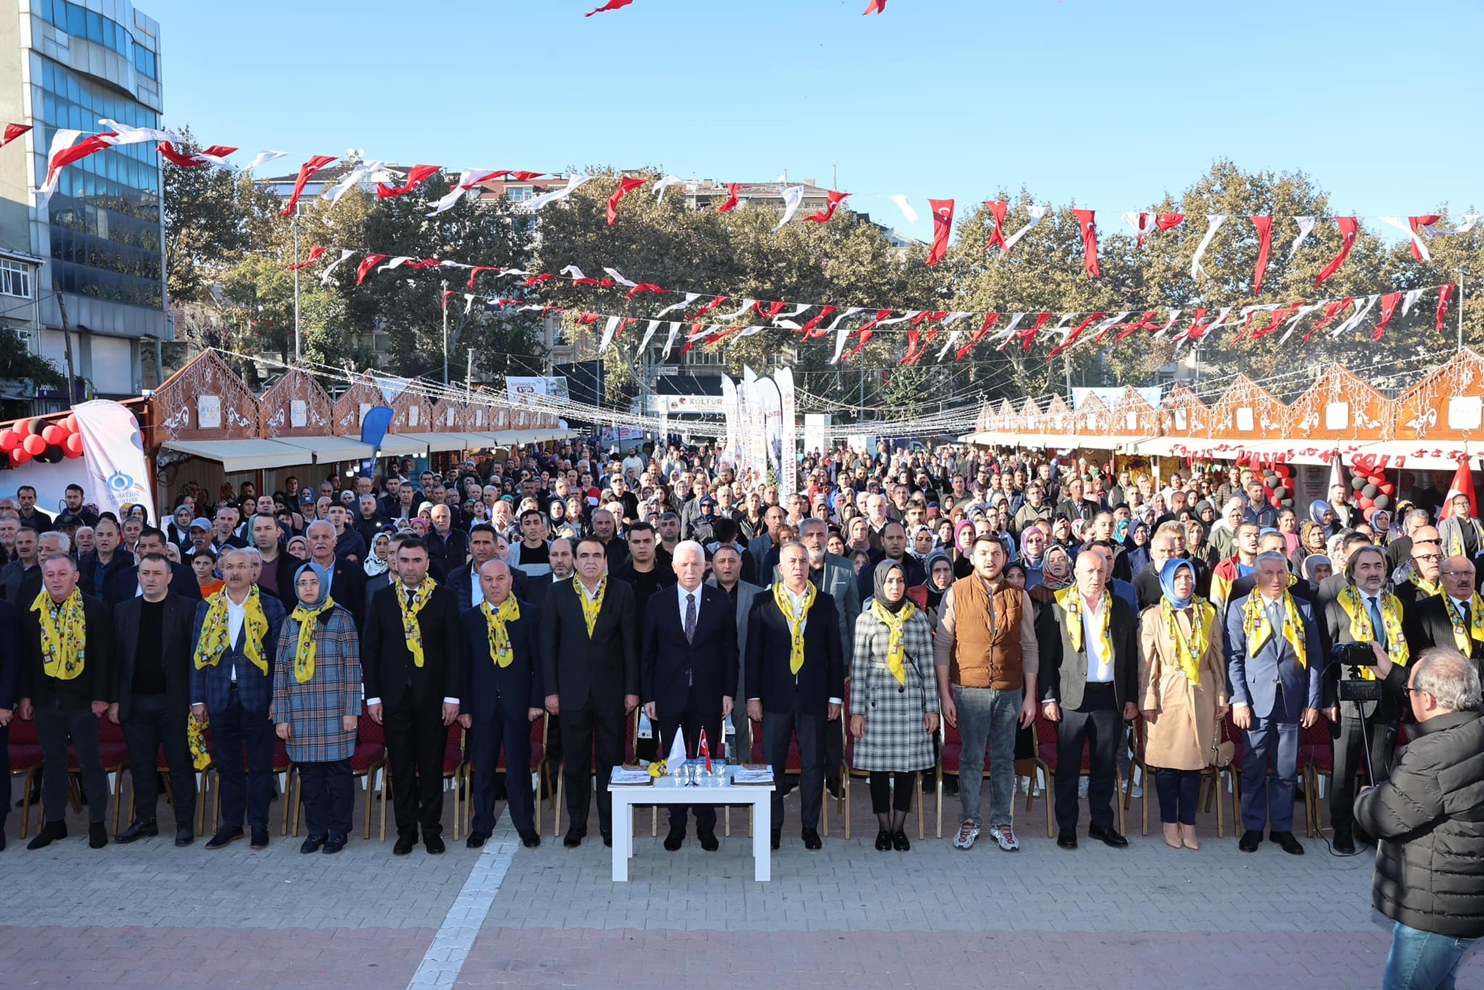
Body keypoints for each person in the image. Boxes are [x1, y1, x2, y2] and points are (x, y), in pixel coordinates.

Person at [1354, 648, 1484, 990]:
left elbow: (1384, 816)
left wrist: (1366, 795)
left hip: (1437, 909)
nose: (1407, 696)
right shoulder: (1474, 729)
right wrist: (1394, 674)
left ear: (1426, 699)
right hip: (1464, 900)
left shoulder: (1432, 756)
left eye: (1410, 691)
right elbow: (1431, 695)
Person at [932, 536, 1038, 851]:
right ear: (972, 557)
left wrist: (1030, 695)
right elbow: (942, 646)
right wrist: (945, 695)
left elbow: (1030, 647)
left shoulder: (1020, 596)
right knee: (971, 759)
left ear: (1005, 557)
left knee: (1005, 759)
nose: (989, 558)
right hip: (968, 690)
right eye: (983, 553)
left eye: (995, 553)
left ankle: (1002, 824)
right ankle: (969, 821)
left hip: (1009, 691)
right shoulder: (956, 591)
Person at [362, 538, 462, 856]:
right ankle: (406, 831)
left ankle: (431, 830)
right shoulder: (381, 599)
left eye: (416, 560)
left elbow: (453, 652)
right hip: (393, 699)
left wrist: (452, 697)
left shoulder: (444, 598)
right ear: (395, 562)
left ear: (427, 563)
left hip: (433, 698)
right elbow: (371, 651)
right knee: (401, 767)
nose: (410, 566)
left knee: (431, 766)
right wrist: (373, 697)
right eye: (404, 560)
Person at [541, 537, 639, 848]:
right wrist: (551, 692)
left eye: (597, 555)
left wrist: (632, 691)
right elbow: (548, 648)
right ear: (573, 560)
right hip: (571, 694)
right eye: (583, 555)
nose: (590, 561)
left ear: (605, 559)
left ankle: (610, 827)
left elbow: (630, 646)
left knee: (611, 762)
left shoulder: (622, 591)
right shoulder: (558, 593)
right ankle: (577, 825)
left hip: (611, 694)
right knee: (576, 763)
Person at [747, 540, 845, 851]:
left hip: (814, 697)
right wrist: (752, 696)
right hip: (775, 697)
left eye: (803, 561)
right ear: (779, 567)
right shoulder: (763, 602)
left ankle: (809, 827)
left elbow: (835, 653)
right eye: (792, 561)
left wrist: (835, 697)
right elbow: (753, 655)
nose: (798, 567)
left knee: (813, 764)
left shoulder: (824, 603)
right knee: (772, 765)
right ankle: (773, 827)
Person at [641, 541, 737, 852]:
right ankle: (677, 825)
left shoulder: (719, 601)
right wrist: (649, 696)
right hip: (669, 697)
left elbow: (729, 651)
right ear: (673, 567)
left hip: (708, 697)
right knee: (675, 762)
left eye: (696, 564)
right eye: (684, 564)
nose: (690, 570)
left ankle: (706, 827)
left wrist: (728, 692)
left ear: (706, 566)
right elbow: (649, 653)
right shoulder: (658, 602)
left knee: (705, 763)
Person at [1226, 550, 1324, 855]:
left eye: (1280, 573)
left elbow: (1316, 660)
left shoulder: (1303, 609)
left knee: (1285, 769)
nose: (1275, 579)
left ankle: (1282, 829)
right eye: (1268, 573)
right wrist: (1239, 699)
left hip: (1292, 699)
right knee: (1254, 766)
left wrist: (1313, 701)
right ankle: (1252, 827)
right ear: (1256, 578)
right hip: (1256, 700)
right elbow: (1234, 659)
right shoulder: (1240, 609)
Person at [1039, 551, 1138, 850]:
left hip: (1109, 697)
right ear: (1076, 574)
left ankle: (1101, 824)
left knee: (1105, 766)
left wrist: (1131, 698)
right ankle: (1067, 827)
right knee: (1068, 767)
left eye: (1101, 571)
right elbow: (1046, 660)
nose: (1096, 577)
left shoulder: (1119, 608)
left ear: (1107, 573)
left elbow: (1130, 659)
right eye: (1089, 571)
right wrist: (1048, 699)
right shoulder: (1057, 607)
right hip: (1071, 699)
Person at [190, 548, 286, 850]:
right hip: (219, 697)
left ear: (253, 571)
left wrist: (277, 698)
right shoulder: (206, 608)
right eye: (228, 566)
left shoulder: (270, 606)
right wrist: (197, 699)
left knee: (260, 765)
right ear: (220, 570)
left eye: (241, 566)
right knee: (227, 766)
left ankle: (258, 824)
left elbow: (281, 659)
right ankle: (231, 824)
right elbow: (196, 656)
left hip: (258, 697)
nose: (234, 572)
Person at [19, 553, 115, 850]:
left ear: (75, 577)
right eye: (51, 575)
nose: (56, 580)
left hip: (84, 701)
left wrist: (101, 697)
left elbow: (106, 658)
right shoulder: (34, 611)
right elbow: (26, 658)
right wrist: (25, 695)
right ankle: (55, 824)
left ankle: (97, 824)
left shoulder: (94, 609)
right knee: (53, 763)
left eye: (62, 574)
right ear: (44, 578)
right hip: (46, 699)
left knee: (90, 762)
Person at [1322, 544, 1410, 855]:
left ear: (1386, 571)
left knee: (1380, 770)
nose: (1373, 572)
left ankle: (1371, 828)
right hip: (1350, 700)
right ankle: (1342, 830)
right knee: (1344, 770)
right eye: (1365, 567)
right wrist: (1327, 700)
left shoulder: (1397, 606)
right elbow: (1325, 658)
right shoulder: (1335, 606)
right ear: (1353, 573)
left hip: (1386, 699)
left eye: (1378, 566)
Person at [1138, 558, 1228, 850]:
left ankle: (1188, 825)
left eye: (1188, 577)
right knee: (1167, 765)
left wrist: (1221, 695)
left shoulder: (1207, 613)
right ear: (1167, 581)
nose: (1184, 583)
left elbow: (1217, 657)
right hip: (1167, 695)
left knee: (1193, 765)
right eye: (1178, 577)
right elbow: (1146, 663)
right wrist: (1147, 699)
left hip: (1201, 693)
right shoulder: (1153, 616)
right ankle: (1168, 823)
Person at [273, 562, 362, 855]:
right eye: (302, 583)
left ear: (323, 585)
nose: (308, 588)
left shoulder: (342, 619)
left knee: (338, 776)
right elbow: (280, 673)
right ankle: (316, 831)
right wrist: (282, 717)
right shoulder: (289, 623)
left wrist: (352, 710)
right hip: (300, 714)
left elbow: (352, 669)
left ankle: (338, 831)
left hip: (335, 711)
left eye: (313, 582)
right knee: (310, 779)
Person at [851, 560, 939, 852]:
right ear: (879, 583)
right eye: (889, 581)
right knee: (878, 771)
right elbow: (859, 668)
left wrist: (931, 708)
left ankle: (899, 828)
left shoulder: (918, 619)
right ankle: (883, 828)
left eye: (900, 581)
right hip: (877, 706)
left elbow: (927, 665)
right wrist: (857, 712)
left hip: (911, 704)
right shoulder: (865, 619)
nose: (895, 586)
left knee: (906, 770)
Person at [112, 553, 198, 846]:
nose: (150, 578)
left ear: (169, 578)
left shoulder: (188, 609)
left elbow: (195, 660)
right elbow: (117, 661)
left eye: (157, 573)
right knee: (141, 766)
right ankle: (145, 821)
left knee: (180, 765)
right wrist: (115, 700)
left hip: (173, 703)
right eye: (145, 572)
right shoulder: (123, 611)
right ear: (138, 576)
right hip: (135, 704)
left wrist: (195, 700)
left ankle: (185, 824)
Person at [459, 559, 544, 849]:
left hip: (518, 704)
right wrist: (465, 708)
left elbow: (538, 663)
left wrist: (535, 701)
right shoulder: (470, 619)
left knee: (519, 769)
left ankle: (525, 824)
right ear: (480, 583)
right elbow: (463, 667)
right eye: (488, 579)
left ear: (511, 581)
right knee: (482, 768)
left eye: (500, 579)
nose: (494, 585)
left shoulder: (529, 615)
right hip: (482, 707)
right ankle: (481, 824)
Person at [706, 542, 763, 763]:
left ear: (741, 564)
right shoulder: (700, 593)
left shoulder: (757, 594)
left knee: (743, 731)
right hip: (709, 674)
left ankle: (742, 779)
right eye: (721, 561)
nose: (727, 566)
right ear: (712, 565)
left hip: (745, 673)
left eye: (732, 561)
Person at [1404, 556, 1484, 676]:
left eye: (1468, 573)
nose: (1464, 579)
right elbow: (1420, 655)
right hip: (1451, 684)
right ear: (1441, 578)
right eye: (1455, 573)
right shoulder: (1425, 610)